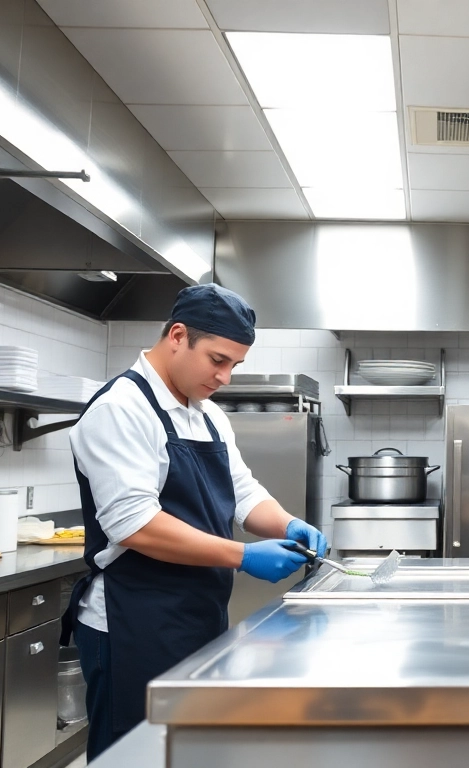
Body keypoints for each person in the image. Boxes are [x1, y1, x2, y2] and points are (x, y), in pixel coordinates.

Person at [59, 283, 327, 759]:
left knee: (183, 753)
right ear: (177, 336)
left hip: (195, 615)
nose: (225, 377)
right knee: (134, 755)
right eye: (218, 360)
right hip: (131, 622)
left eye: (234, 366)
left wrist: (288, 524)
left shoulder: (207, 416)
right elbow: (135, 525)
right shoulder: (121, 409)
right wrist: (242, 555)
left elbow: (242, 493)